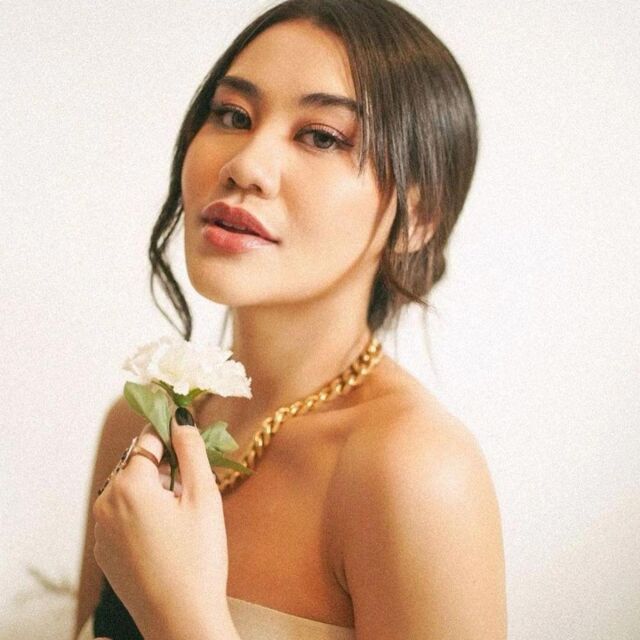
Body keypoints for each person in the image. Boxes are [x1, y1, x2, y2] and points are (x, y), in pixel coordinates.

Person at [75, 0, 506, 638]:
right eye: (233, 115)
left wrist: (178, 614)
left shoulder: (416, 473)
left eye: (321, 136)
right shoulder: (140, 426)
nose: (245, 166)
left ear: (418, 217)